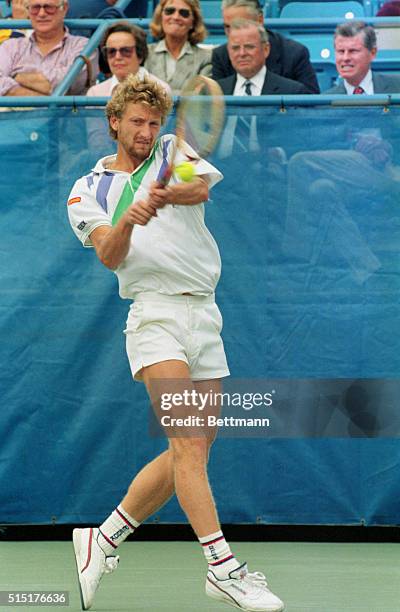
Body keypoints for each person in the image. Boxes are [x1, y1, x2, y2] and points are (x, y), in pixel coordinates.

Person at [67, 74, 284, 612]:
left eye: (153, 122)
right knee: (188, 442)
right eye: (136, 122)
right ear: (113, 122)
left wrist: (160, 193)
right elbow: (108, 254)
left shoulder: (170, 152)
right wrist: (130, 217)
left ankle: (103, 538)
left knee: (194, 448)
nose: (146, 131)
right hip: (155, 317)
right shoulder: (87, 188)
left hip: (204, 315)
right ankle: (223, 568)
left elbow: (199, 190)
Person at [212, 0, 320, 93]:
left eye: (241, 25)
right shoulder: (221, 55)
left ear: (260, 20)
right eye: (227, 27)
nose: (233, 32)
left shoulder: (294, 53)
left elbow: (310, 108)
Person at [0, 0, 98, 96]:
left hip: (69, 112)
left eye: (49, 7)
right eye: (35, 8)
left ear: (64, 8)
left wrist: (16, 77)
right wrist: (43, 100)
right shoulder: (11, 46)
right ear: (28, 10)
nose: (41, 14)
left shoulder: (84, 46)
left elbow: (68, 83)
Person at [217, 19, 310, 95]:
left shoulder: (292, 92)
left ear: (266, 50)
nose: (242, 53)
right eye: (235, 48)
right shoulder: (215, 92)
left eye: (249, 47)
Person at [144, 0, 212, 95]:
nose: (176, 17)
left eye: (184, 13)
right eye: (169, 11)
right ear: (161, 16)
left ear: (193, 22)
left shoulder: (206, 58)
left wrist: (156, 94)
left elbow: (199, 97)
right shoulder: (144, 53)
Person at [87, 22, 170, 97]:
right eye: (111, 51)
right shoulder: (95, 93)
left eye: (125, 51)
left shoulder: (160, 90)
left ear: (140, 55)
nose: (117, 57)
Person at [324, 21, 400, 94]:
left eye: (353, 51)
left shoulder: (397, 87)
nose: (345, 58)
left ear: (372, 53)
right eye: (341, 51)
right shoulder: (325, 103)